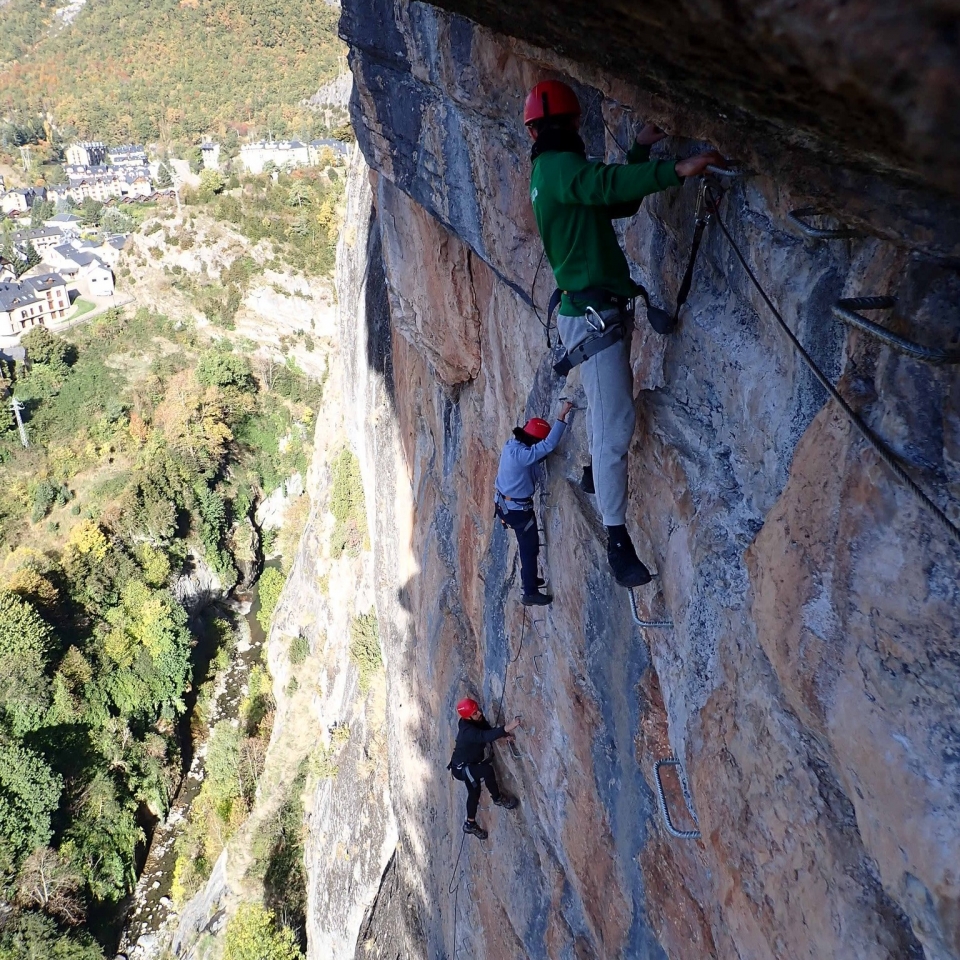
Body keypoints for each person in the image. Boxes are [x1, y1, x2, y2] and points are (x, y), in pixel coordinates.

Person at [525, 79, 726, 587]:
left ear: (533, 130)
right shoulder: (558, 168)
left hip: (595, 313)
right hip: (594, 317)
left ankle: (594, 473)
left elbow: (614, 201)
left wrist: (639, 150)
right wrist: (674, 169)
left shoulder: (552, 171)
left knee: (604, 404)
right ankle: (617, 540)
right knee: (615, 426)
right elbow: (605, 186)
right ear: (574, 123)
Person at [495, 399, 575, 605]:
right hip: (517, 511)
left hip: (506, 506)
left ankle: (529, 579)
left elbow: (533, 454)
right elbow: (547, 446)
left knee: (528, 546)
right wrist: (561, 417)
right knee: (529, 549)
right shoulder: (523, 455)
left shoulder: (511, 445)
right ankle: (530, 592)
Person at [448, 697, 521, 840]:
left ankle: (470, 824)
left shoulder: (475, 719)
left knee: (474, 793)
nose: (479, 713)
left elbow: (487, 730)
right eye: (475, 713)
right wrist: (507, 727)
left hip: (467, 764)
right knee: (486, 770)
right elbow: (483, 736)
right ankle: (498, 798)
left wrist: (504, 736)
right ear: (467, 717)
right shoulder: (467, 731)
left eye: (477, 710)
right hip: (462, 768)